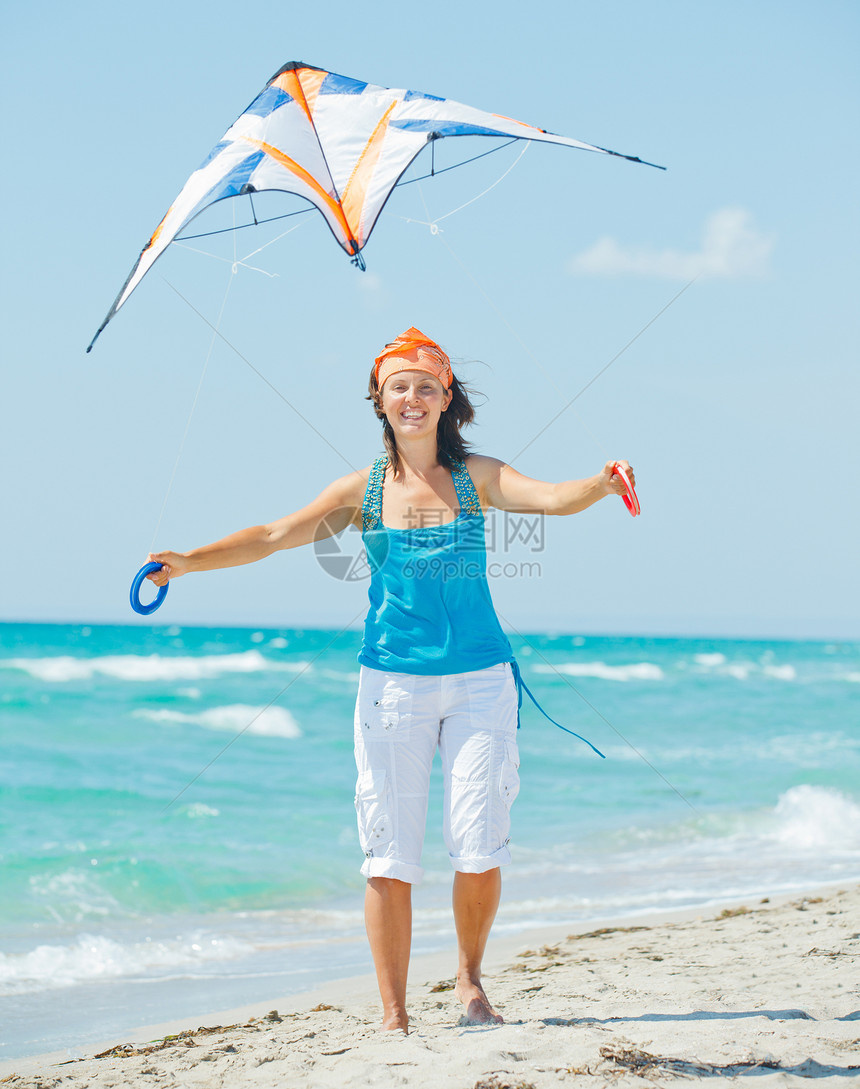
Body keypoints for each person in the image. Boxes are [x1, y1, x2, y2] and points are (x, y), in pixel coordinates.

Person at [146, 327, 635, 1032]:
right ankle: (395, 1013)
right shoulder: (363, 488)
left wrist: (601, 480)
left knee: (479, 845)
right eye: (398, 385)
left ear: (446, 400)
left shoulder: (477, 477)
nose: (412, 396)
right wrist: (191, 560)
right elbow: (276, 533)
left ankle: (470, 981)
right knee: (388, 856)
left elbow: (554, 497)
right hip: (393, 687)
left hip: (480, 682)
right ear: (379, 399)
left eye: (426, 385)